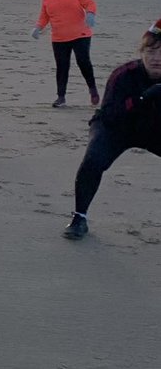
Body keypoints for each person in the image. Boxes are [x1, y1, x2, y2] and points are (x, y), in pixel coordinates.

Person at [62, 19, 161, 240]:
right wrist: (144, 97)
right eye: (151, 51)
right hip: (116, 128)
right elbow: (110, 114)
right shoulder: (124, 74)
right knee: (93, 161)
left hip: (155, 129)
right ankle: (79, 217)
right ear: (142, 53)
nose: (157, 58)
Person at [31, 0, 99, 107]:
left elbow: (89, 3)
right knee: (62, 66)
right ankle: (61, 97)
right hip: (59, 37)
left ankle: (92, 90)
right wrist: (38, 28)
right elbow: (44, 16)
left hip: (80, 34)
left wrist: (91, 14)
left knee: (83, 61)